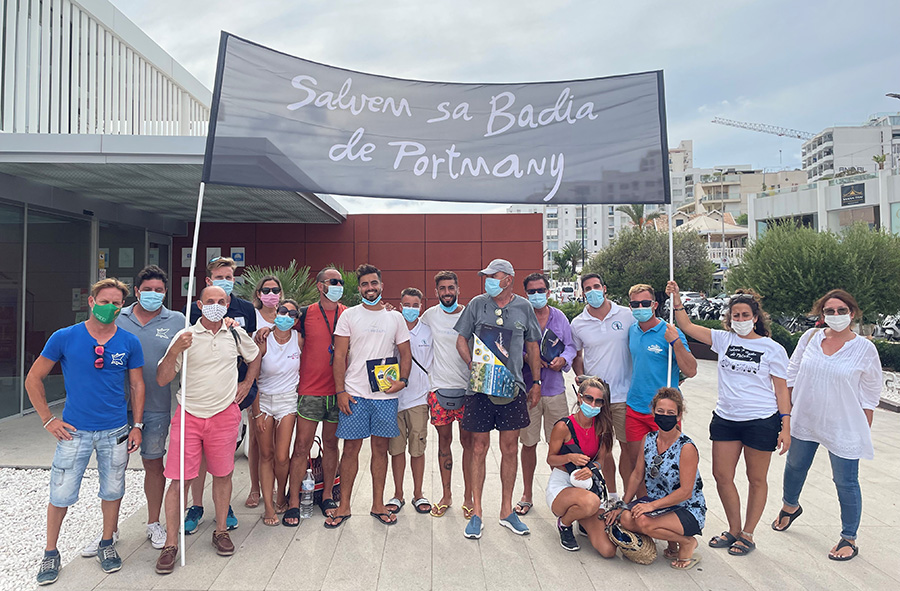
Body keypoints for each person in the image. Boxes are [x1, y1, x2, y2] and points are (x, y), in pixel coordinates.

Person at [25, 278, 144, 585]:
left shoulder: (129, 342)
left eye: (116, 303)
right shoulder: (65, 337)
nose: (110, 307)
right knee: (61, 493)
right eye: (104, 301)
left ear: (122, 307)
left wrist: (138, 425)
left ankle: (107, 543)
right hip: (73, 431)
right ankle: (50, 551)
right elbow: (33, 378)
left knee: (113, 489)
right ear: (91, 302)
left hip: (115, 430)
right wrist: (48, 419)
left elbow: (136, 384)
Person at [667, 281, 791, 556]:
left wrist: (786, 425)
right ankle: (734, 529)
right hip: (726, 418)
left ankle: (748, 533)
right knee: (722, 476)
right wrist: (676, 298)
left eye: (746, 315)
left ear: (756, 318)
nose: (741, 320)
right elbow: (687, 326)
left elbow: (781, 389)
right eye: (736, 315)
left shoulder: (773, 348)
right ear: (730, 318)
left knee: (756, 478)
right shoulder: (723, 340)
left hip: (761, 420)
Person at [155, 285, 260, 574]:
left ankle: (221, 530)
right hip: (188, 415)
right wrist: (175, 349)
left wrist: (247, 383)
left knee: (223, 474)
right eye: (210, 301)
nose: (216, 305)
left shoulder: (235, 333)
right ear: (199, 305)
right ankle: (170, 544)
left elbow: (255, 356)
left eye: (221, 301)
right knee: (178, 481)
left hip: (224, 414)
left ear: (228, 305)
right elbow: (163, 378)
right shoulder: (184, 336)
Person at [771, 290, 882, 561]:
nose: (835, 315)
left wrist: (864, 424)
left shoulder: (865, 348)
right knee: (795, 466)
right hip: (806, 417)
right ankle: (790, 507)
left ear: (852, 313)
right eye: (829, 311)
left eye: (841, 310)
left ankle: (849, 537)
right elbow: (791, 374)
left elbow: (870, 390)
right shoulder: (809, 338)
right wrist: (786, 416)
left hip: (843, 424)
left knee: (845, 481)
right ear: (821, 315)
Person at [454, 259, 542, 539]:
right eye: (486, 276)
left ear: (508, 279)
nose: (488, 280)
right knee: (478, 448)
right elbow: (460, 340)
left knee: (510, 449)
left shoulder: (524, 307)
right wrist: (473, 365)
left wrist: (536, 382)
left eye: (494, 276)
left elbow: (532, 345)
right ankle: (477, 512)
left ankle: (506, 510)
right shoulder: (477, 304)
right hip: (480, 389)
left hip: (512, 389)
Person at [325, 264, 412, 528]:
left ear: (381, 286)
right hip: (355, 394)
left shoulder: (395, 318)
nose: (370, 288)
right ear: (359, 288)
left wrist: (402, 382)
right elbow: (339, 356)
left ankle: (377, 504)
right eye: (365, 284)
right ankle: (344, 506)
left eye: (374, 283)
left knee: (380, 450)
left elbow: (405, 354)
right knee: (350, 449)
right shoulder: (349, 316)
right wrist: (341, 391)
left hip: (385, 396)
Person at [112, 266, 186, 551]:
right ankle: (111, 530)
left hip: (156, 407)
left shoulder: (177, 320)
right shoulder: (120, 318)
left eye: (159, 290)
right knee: (114, 469)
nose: (153, 295)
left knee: (154, 465)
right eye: (148, 290)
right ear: (137, 291)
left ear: (165, 293)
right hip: (117, 407)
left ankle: (154, 523)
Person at [183, 256, 257, 534]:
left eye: (230, 277)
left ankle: (224, 508)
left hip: (231, 394)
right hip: (198, 396)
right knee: (199, 457)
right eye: (220, 276)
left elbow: (249, 350)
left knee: (223, 456)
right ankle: (197, 505)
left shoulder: (245, 308)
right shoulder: (191, 310)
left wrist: (248, 383)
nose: (226, 281)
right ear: (208, 280)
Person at [610, 387, 706, 570]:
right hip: (658, 503)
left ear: (678, 416)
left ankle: (686, 542)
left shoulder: (686, 447)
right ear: (653, 412)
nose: (665, 416)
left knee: (644, 522)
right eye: (660, 411)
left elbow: (686, 492)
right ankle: (671, 541)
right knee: (626, 518)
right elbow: (638, 473)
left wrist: (651, 506)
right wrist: (624, 503)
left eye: (671, 413)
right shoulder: (649, 438)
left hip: (687, 507)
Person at [280, 267, 346, 525]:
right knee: (301, 448)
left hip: (338, 392)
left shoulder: (348, 314)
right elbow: (281, 329)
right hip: (310, 392)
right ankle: (294, 502)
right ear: (320, 286)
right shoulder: (305, 314)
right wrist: (263, 333)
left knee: (331, 445)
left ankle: (328, 495)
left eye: (340, 281)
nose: (338, 285)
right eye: (333, 281)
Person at [571, 273, 635, 501]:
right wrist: (581, 378)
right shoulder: (578, 324)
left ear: (604, 288)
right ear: (583, 293)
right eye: (587, 288)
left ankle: (630, 498)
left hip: (623, 396)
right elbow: (576, 355)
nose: (593, 291)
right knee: (603, 451)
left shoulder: (627, 316)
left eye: (596, 286)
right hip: (595, 399)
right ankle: (612, 496)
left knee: (628, 449)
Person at [517, 272, 575, 517]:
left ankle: (557, 493)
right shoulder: (520, 317)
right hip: (529, 391)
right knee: (528, 443)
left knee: (559, 447)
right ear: (526, 294)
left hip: (555, 392)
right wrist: (527, 357)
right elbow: (509, 347)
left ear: (549, 292)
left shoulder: (560, 317)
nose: (537, 295)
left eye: (541, 290)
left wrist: (564, 359)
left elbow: (571, 346)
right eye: (532, 291)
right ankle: (527, 494)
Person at [624, 284, 697, 482]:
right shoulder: (632, 331)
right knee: (637, 465)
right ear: (630, 307)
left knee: (666, 467)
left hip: (665, 411)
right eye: (635, 304)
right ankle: (640, 508)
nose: (640, 307)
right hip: (636, 408)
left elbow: (691, 370)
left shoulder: (670, 331)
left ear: (655, 304)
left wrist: (676, 343)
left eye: (645, 303)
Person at [419, 270, 475, 518]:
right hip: (439, 389)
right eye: (442, 289)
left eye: (451, 288)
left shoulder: (469, 314)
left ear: (458, 289)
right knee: (444, 443)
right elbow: (411, 331)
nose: (447, 292)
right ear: (436, 292)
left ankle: (469, 497)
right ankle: (446, 495)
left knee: (468, 445)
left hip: (467, 390)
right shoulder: (430, 316)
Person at [545, 378, 617, 556]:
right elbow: (550, 459)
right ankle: (565, 523)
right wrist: (569, 457)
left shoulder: (603, 426)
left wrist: (592, 469)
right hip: (563, 484)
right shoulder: (564, 426)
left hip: (587, 483)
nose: (593, 404)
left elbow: (602, 459)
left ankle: (581, 517)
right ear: (579, 398)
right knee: (591, 502)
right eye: (588, 398)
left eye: (598, 401)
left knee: (608, 551)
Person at [251, 300, 302, 526]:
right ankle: (269, 507)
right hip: (263, 401)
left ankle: (281, 494)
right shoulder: (262, 339)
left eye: (292, 313)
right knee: (266, 454)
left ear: (296, 319)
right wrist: (256, 413)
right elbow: (252, 378)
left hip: (288, 401)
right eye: (283, 311)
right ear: (275, 313)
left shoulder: (299, 340)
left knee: (282, 455)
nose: (286, 316)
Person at [386, 288, 434, 515]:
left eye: (415, 305)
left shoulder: (428, 331)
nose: (411, 309)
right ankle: (398, 494)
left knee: (417, 449)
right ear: (399, 305)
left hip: (418, 400)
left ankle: (418, 493)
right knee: (396, 450)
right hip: (393, 399)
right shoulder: (391, 327)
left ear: (421, 307)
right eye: (407, 304)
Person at [244, 274, 285, 509]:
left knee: (279, 443)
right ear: (259, 294)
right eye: (266, 290)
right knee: (256, 442)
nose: (271, 294)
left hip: (282, 387)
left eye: (275, 290)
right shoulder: (253, 315)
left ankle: (278, 486)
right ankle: (254, 488)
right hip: (258, 385)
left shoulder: (286, 316)